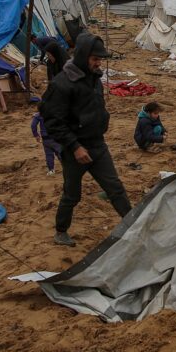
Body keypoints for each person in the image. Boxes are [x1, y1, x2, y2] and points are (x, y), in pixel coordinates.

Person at [41, 32, 132, 246]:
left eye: (100, 59)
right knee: (72, 195)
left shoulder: (95, 78)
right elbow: (53, 121)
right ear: (83, 56)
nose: (98, 63)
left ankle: (134, 225)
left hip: (97, 144)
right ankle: (61, 231)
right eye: (95, 59)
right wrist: (74, 146)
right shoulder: (62, 84)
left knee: (115, 188)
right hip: (75, 150)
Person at [31, 102, 62, 175]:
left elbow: (33, 125)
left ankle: (51, 170)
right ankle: (66, 167)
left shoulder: (38, 115)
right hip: (55, 137)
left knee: (48, 155)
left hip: (45, 138)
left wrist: (36, 135)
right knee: (60, 152)